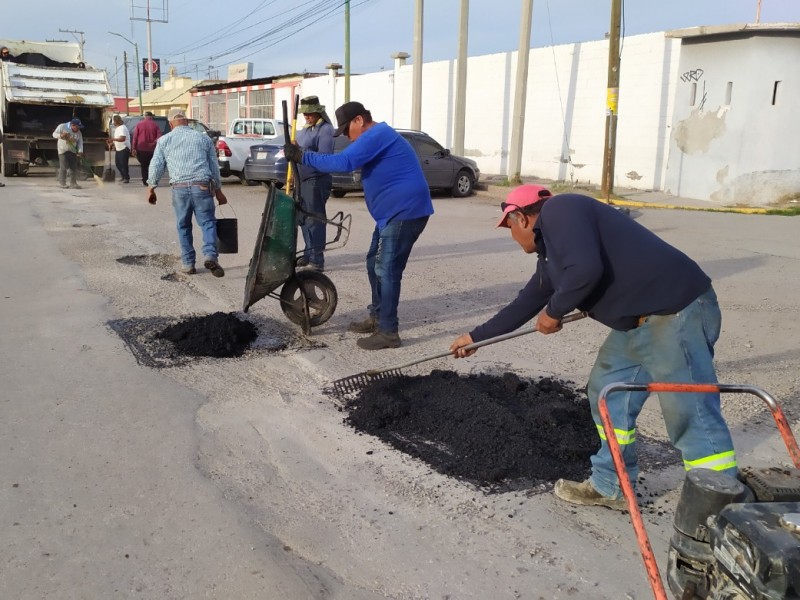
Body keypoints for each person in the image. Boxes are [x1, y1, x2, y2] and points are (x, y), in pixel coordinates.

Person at [449, 184, 737, 510]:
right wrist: (476, 337)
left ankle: (721, 510)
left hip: (676, 312)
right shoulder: (552, 255)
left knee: (689, 412)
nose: (511, 236)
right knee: (606, 393)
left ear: (522, 218)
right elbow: (529, 300)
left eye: (509, 227)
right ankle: (610, 484)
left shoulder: (561, 210)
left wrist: (554, 312)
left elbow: (586, 270)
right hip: (638, 324)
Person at [284, 101, 434, 350]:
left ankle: (388, 332)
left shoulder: (378, 134)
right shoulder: (378, 136)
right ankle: (378, 316)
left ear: (359, 121)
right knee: (372, 263)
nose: (346, 136)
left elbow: (343, 162)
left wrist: (303, 156)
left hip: (404, 212)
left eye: (346, 130)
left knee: (386, 270)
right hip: (392, 214)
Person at [146, 108, 227, 277]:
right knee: (208, 223)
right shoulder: (203, 139)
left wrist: (151, 187)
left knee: (183, 225)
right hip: (202, 186)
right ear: (187, 121)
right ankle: (210, 254)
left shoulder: (164, 140)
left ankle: (188, 264)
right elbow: (213, 167)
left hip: (179, 188)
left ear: (170, 123)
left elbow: (156, 165)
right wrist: (218, 191)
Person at [294, 96, 334, 272]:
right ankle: (309, 253)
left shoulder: (325, 130)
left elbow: (324, 157)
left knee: (314, 220)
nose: (307, 116)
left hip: (316, 180)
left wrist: (299, 151)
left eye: (310, 113)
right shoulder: (305, 130)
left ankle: (317, 260)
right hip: (300, 180)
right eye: (305, 113)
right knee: (302, 218)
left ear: (318, 112)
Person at [52, 118, 84, 189]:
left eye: (79, 127)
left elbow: (80, 142)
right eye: (77, 127)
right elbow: (54, 134)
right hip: (62, 150)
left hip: (72, 150)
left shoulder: (79, 132)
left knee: (73, 167)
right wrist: (61, 136)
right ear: (72, 125)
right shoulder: (62, 126)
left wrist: (80, 151)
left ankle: (73, 183)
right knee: (63, 167)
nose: (78, 129)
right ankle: (62, 183)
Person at [132, 112, 162, 186]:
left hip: (141, 149)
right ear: (151, 117)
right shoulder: (155, 125)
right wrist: (154, 142)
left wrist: (133, 148)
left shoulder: (139, 124)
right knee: (153, 166)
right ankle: (152, 180)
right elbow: (159, 136)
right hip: (152, 149)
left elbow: (135, 138)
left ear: (145, 116)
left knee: (144, 166)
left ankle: (145, 181)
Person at [109, 115, 131, 183]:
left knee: (123, 164)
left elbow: (122, 138)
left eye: (114, 121)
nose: (113, 123)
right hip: (119, 148)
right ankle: (123, 176)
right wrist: (113, 143)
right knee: (118, 163)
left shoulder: (122, 128)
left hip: (124, 148)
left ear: (117, 121)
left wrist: (112, 139)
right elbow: (118, 139)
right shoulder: (118, 128)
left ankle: (126, 178)